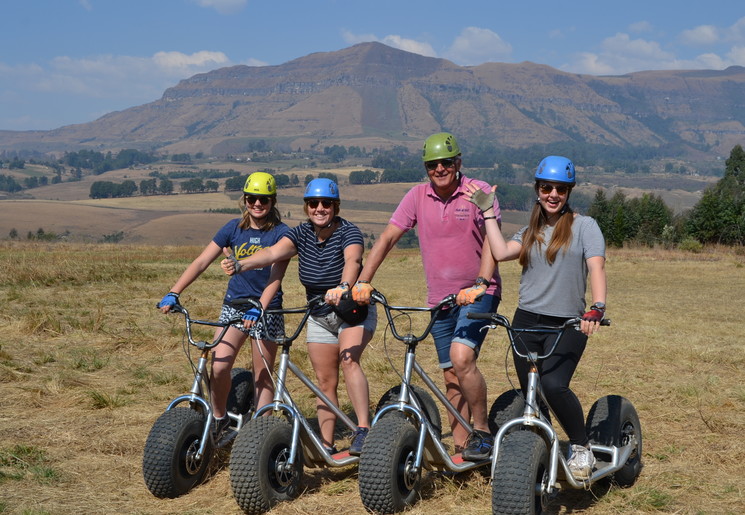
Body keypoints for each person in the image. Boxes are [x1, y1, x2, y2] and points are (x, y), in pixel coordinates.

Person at [352, 132, 501, 461]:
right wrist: (362, 281)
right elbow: (389, 238)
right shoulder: (417, 196)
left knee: (463, 359)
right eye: (432, 165)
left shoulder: (479, 191)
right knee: (450, 374)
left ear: (458, 163)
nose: (440, 169)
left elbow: (493, 240)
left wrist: (480, 281)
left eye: (446, 163)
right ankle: (462, 451)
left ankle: (483, 432)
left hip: (479, 292)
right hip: (440, 300)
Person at [465, 155, 607, 480]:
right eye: (546, 187)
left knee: (554, 385)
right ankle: (540, 447)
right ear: (538, 189)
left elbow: (597, 269)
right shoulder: (530, 231)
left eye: (560, 189)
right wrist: (487, 211)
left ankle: (581, 447)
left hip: (569, 323)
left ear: (569, 191)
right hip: (526, 321)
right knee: (531, 389)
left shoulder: (586, 227)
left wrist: (597, 307)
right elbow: (499, 253)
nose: (553, 194)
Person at [221, 178, 376, 456]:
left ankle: (364, 430)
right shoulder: (301, 234)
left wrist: (343, 287)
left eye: (326, 204)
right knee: (325, 381)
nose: (319, 208)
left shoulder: (348, 232)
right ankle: (326, 443)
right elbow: (271, 253)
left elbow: (353, 260)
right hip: (319, 314)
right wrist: (241, 264)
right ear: (306, 207)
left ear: (335, 206)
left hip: (352, 312)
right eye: (313, 203)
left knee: (349, 360)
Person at [157, 172, 290, 437]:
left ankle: (259, 436)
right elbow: (200, 262)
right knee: (218, 366)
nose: (257, 204)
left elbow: (276, 277)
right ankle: (219, 420)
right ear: (245, 199)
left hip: (267, 308)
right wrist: (174, 291)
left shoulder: (281, 233)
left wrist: (261, 308)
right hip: (235, 305)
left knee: (262, 375)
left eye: (263, 199)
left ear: (272, 201)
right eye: (252, 198)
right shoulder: (232, 228)